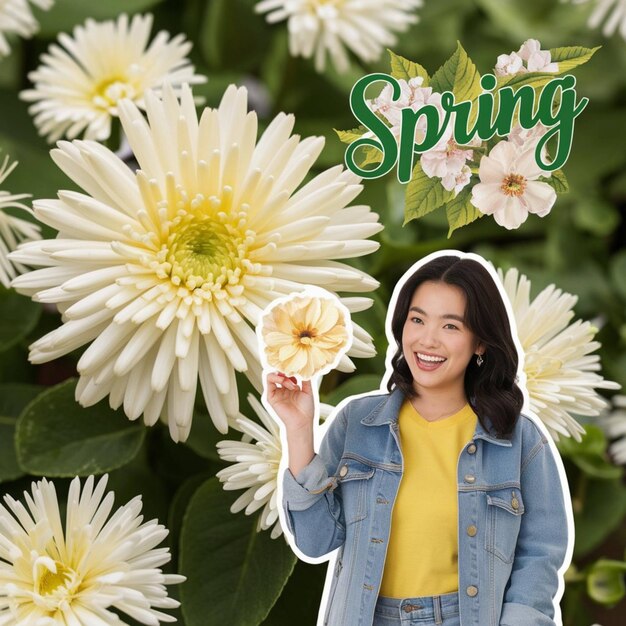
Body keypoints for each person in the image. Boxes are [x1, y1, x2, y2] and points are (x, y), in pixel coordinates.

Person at [264, 253, 572, 626]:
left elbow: (540, 554)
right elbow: (315, 542)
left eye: (451, 327)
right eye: (417, 320)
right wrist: (298, 429)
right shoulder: (357, 422)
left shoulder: (520, 441)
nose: (428, 340)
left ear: (481, 343)